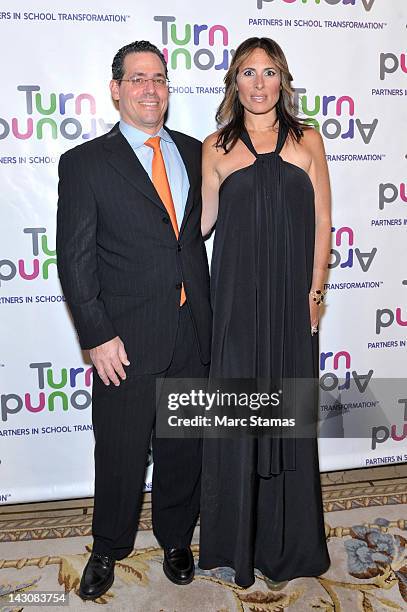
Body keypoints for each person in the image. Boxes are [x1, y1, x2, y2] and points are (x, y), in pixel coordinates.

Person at [56, 40, 212, 600]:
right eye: (138, 78)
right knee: (119, 451)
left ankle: (176, 538)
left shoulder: (199, 153)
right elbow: (73, 258)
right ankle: (108, 546)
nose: (151, 88)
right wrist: (96, 335)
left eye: (160, 79)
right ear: (116, 89)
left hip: (193, 332)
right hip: (123, 338)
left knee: (183, 447)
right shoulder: (85, 163)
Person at [198, 37, 331, 588]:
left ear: (283, 80)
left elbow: (324, 222)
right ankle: (236, 545)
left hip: (290, 308)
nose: (258, 84)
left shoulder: (308, 142)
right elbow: (198, 228)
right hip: (234, 308)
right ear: (234, 81)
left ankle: (289, 545)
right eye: (248, 73)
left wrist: (316, 294)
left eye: (269, 72)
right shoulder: (214, 147)